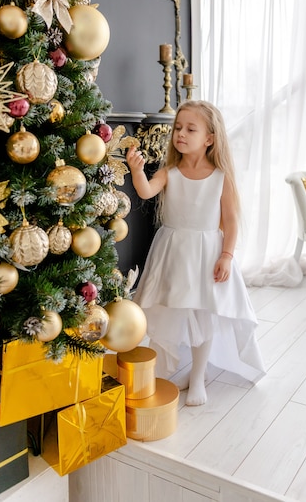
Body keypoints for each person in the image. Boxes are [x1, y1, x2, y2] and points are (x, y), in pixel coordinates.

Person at [126, 100, 265, 406]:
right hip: (173, 252)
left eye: (191, 129)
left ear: (209, 138)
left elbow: (230, 220)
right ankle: (164, 370)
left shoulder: (220, 176)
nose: (181, 134)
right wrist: (137, 171)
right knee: (166, 308)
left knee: (203, 314)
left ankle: (199, 375)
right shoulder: (170, 171)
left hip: (207, 254)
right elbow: (146, 191)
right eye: (178, 127)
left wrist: (227, 256)